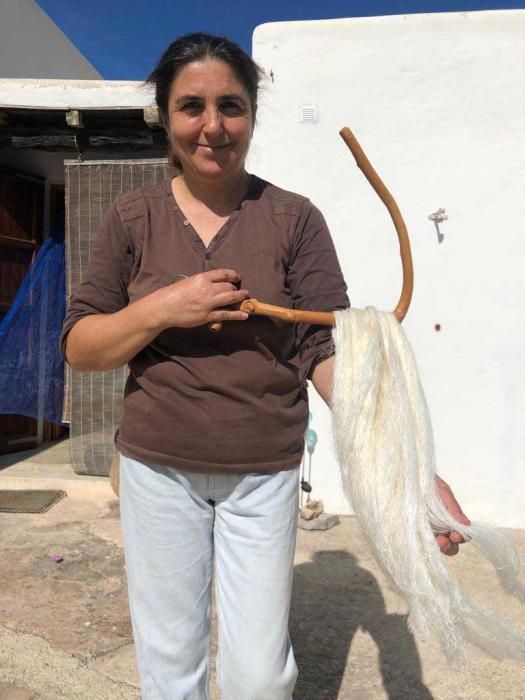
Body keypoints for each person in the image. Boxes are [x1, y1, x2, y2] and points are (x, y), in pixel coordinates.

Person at [60, 33, 469, 700]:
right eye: (191, 106)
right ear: (165, 116)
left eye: (232, 106)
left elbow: (324, 349)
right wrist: (165, 307)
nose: (213, 127)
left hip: (262, 474)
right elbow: (83, 346)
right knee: (170, 666)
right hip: (157, 470)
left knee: (258, 675)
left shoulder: (293, 219)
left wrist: (409, 473)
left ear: (252, 114)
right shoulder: (132, 217)